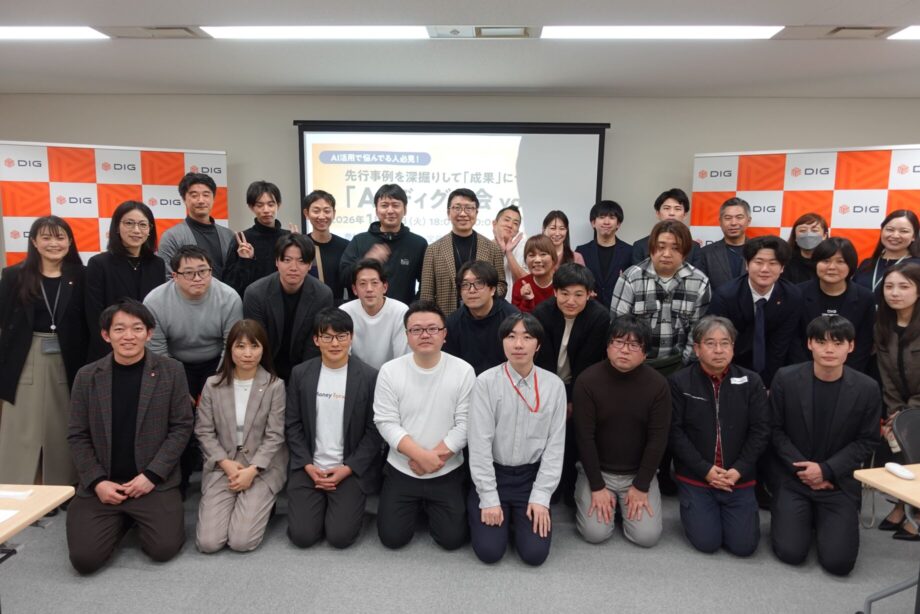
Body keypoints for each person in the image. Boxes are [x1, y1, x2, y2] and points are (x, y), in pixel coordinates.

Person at [66, 300, 193, 574]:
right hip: (103, 484)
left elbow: (182, 427)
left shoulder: (171, 371)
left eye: (137, 328)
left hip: (151, 482)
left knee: (163, 549)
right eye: (119, 329)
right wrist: (97, 481)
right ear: (106, 335)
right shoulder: (87, 376)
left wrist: (152, 475)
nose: (128, 336)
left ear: (149, 333)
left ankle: (131, 515)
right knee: (84, 560)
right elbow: (77, 435)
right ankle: (121, 519)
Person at [769, 315, 881, 576]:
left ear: (851, 346)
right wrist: (805, 472)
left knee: (838, 563)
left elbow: (867, 440)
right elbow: (774, 430)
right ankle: (804, 518)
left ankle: (822, 520)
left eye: (838, 343)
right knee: (790, 552)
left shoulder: (867, 388)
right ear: (810, 344)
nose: (829, 350)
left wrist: (826, 470)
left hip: (838, 484)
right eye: (821, 342)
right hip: (794, 479)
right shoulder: (785, 378)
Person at [374, 301, 475, 550]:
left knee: (452, 540)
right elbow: (386, 421)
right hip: (403, 467)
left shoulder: (463, 370)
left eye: (432, 329)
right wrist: (421, 457)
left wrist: (434, 460)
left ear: (444, 333)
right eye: (417, 330)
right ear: (407, 335)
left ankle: (430, 506)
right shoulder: (390, 371)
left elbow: (466, 423)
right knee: (392, 539)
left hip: (447, 469)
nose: (425, 335)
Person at [467, 313, 566, 566]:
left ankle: (517, 518)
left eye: (527, 337)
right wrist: (488, 497)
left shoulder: (554, 386)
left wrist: (541, 496)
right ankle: (501, 515)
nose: (518, 344)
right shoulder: (486, 382)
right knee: (489, 551)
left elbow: (555, 448)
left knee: (534, 554)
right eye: (511, 337)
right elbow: (479, 445)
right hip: (494, 474)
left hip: (530, 478)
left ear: (538, 345)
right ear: (502, 342)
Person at [669, 316, 770, 556]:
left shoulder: (751, 382)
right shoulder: (679, 382)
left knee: (744, 546)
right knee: (707, 542)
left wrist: (739, 469)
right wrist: (705, 469)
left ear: (733, 347)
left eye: (725, 343)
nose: (718, 350)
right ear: (697, 348)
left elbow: (761, 430)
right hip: (697, 475)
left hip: (738, 476)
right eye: (710, 343)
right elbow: (675, 432)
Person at [0, 216, 87, 486]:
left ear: (69, 241)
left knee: (62, 423)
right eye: (46, 237)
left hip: (68, 357)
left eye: (60, 237)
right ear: (34, 242)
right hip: (25, 357)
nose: (53, 243)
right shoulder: (14, 275)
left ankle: (62, 488)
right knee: (21, 424)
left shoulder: (81, 276)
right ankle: (16, 486)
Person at [286, 308, 383, 548]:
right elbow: (292, 424)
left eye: (341, 336)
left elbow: (374, 432)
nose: (335, 343)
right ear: (316, 340)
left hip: (348, 468)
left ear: (351, 337)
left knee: (340, 537)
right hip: (309, 466)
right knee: (303, 537)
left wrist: (348, 468)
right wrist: (308, 465)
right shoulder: (300, 374)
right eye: (327, 337)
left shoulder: (369, 377)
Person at [573, 315, 671, 548]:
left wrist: (641, 485)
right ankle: (604, 500)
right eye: (618, 342)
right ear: (607, 346)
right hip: (597, 471)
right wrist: (597, 486)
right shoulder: (587, 381)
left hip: (637, 473)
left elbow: (658, 440)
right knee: (595, 533)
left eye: (634, 345)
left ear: (645, 353)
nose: (625, 350)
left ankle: (623, 504)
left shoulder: (658, 385)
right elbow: (584, 438)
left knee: (646, 537)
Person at [195, 319, 287, 553]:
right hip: (223, 465)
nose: (248, 353)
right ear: (230, 349)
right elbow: (204, 431)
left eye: (254, 346)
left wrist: (252, 470)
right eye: (240, 346)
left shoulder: (274, 386)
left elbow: (275, 435)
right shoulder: (213, 385)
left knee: (241, 542)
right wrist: (225, 463)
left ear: (263, 349)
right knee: (208, 543)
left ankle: (262, 503)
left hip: (261, 467)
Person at [533, 263, 610, 504]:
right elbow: (543, 362)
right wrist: (557, 400)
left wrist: (573, 400)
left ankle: (570, 486)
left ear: (589, 294)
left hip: (582, 385)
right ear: (555, 292)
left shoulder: (599, 317)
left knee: (575, 434)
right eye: (564, 293)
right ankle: (548, 486)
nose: (571, 301)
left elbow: (588, 363)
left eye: (578, 295)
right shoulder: (541, 313)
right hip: (546, 384)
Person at [610, 220, 711, 369]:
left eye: (675, 248)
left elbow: (697, 332)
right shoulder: (631, 278)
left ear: (685, 252)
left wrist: (684, 366)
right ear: (651, 248)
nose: (666, 254)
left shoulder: (699, 282)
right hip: (636, 364)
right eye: (661, 247)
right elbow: (618, 327)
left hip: (678, 364)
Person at [708, 235, 802, 388]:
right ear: (747, 264)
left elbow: (780, 345)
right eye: (758, 262)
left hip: (774, 366)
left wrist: (768, 386)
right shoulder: (726, 296)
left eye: (773, 263)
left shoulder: (792, 296)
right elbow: (719, 342)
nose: (765, 269)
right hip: (732, 363)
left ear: (782, 268)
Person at [243, 234, 333, 381]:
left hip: (305, 367)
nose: (293, 268)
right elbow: (256, 340)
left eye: (301, 261)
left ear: (310, 265)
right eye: (287, 260)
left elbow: (314, 344)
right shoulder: (255, 293)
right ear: (276, 262)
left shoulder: (322, 294)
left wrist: (301, 380)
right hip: (264, 366)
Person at [85, 200, 166, 361]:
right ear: (117, 227)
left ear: (150, 229)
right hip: (110, 351)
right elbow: (94, 316)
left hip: (150, 348)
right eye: (129, 223)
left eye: (143, 225)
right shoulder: (99, 264)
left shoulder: (157, 264)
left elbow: (159, 310)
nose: (136, 230)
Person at [874, 262, 920, 540]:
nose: (895, 293)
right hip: (899, 405)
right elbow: (886, 375)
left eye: (904, 287)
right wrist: (896, 411)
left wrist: (909, 412)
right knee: (900, 448)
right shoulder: (883, 324)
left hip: (917, 405)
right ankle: (903, 503)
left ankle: (917, 510)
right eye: (889, 286)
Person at [789, 237, 875, 372]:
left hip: (850, 373)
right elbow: (793, 339)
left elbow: (864, 343)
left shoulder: (866, 298)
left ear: (851, 265)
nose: (832, 267)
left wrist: (845, 373)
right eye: (825, 261)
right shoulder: (797, 293)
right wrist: (808, 371)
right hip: (803, 370)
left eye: (840, 262)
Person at [421, 188, 507, 316]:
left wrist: (484, 298)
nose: (463, 213)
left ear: (476, 213)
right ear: (448, 213)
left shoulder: (492, 248)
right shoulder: (433, 250)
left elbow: (501, 285)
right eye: (457, 208)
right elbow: (426, 294)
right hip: (446, 319)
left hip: (485, 318)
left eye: (469, 208)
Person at [339, 183, 428, 305]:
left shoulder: (418, 243)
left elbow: (427, 283)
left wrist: (413, 308)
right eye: (384, 205)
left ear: (405, 210)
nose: (390, 211)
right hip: (365, 312)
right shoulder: (359, 241)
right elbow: (343, 278)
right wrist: (367, 260)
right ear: (376, 210)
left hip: (404, 313)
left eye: (395, 205)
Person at [444, 260, 519, 375]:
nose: (472, 290)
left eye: (479, 283)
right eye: (465, 285)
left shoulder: (512, 318)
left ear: (492, 289)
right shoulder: (452, 323)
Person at [158, 172, 234, 280]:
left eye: (206, 195)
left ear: (213, 198)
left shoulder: (229, 235)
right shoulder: (171, 237)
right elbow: (168, 277)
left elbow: (235, 274)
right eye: (194, 195)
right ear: (184, 199)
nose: (201, 200)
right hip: (187, 292)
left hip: (224, 291)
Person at [223, 180, 291, 297]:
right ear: (251, 207)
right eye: (260, 205)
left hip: (284, 301)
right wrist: (245, 261)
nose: (266, 210)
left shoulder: (289, 238)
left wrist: (298, 246)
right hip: (252, 302)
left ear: (278, 205)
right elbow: (229, 285)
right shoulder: (242, 240)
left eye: (271, 204)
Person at [339, 259, 410, 370]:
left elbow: (402, 357)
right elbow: (342, 355)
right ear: (354, 289)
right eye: (362, 284)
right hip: (357, 374)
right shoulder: (344, 312)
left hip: (391, 374)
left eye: (375, 283)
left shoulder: (400, 311)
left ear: (385, 287)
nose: (369, 289)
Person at [575, 200, 632, 307]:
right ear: (593, 223)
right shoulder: (581, 251)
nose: (606, 222)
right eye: (601, 217)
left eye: (611, 217)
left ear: (618, 224)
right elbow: (576, 282)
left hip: (618, 310)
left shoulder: (629, 251)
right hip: (589, 309)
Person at [853, 209, 920, 297]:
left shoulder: (917, 265)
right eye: (890, 230)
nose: (895, 235)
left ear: (914, 236)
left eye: (904, 231)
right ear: (882, 231)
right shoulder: (866, 264)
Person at [631, 188, 701, 266]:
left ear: (685, 215)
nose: (671, 213)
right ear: (658, 213)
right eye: (667, 208)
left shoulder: (694, 247)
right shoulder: (640, 245)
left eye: (677, 209)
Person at [697, 196, 751, 292]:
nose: (733, 223)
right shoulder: (706, 253)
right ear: (720, 222)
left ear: (748, 221)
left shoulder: (759, 251)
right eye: (728, 218)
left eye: (739, 217)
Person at [304, 189, 350, 303]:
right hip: (308, 307)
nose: (322, 216)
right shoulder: (302, 245)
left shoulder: (345, 245)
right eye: (316, 211)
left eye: (327, 211)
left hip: (337, 307)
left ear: (334, 213)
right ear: (306, 214)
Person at [512, 235, 558, 313]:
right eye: (531, 255)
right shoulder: (520, 285)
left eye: (543, 254)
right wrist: (527, 301)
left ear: (553, 258)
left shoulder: (563, 283)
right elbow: (517, 317)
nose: (537, 260)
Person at [781, 212, 828, 285]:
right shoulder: (785, 261)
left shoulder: (831, 261)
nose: (808, 234)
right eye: (802, 230)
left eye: (814, 231)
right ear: (795, 236)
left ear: (824, 235)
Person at [492, 204, 528, 290]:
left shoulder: (524, 248)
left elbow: (527, 281)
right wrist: (500, 252)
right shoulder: (484, 247)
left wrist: (509, 253)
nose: (510, 225)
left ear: (517, 231)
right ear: (494, 224)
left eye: (515, 223)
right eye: (507, 220)